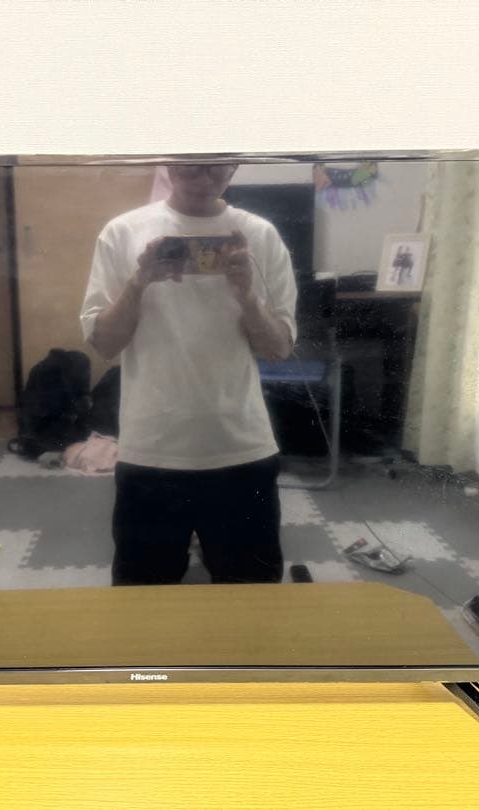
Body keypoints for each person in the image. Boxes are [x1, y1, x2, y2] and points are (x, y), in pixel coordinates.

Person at [79, 164, 298, 585]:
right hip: (150, 452)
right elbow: (104, 343)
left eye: (217, 168)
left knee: (253, 600)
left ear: (234, 164)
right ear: (169, 158)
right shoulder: (122, 233)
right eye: (191, 166)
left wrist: (247, 295)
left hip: (241, 447)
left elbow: (278, 348)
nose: (203, 180)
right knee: (144, 598)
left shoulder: (261, 236)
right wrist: (139, 282)